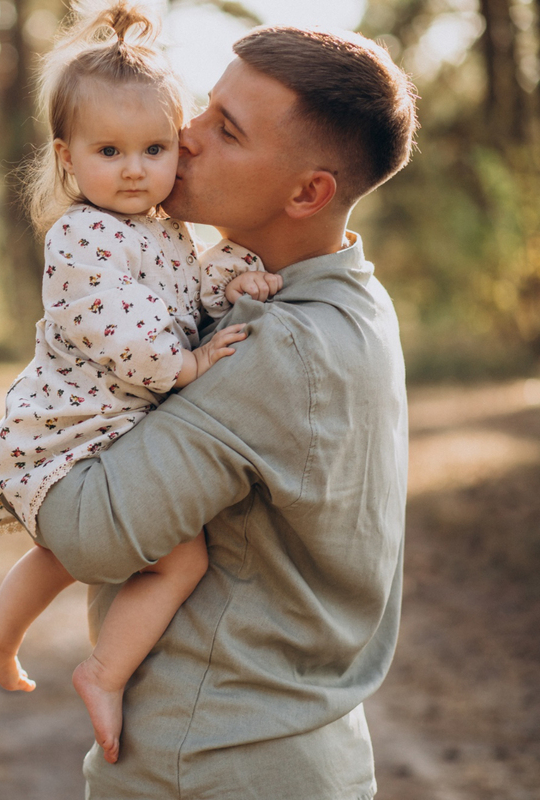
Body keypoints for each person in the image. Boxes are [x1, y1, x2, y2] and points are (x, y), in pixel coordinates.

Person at [32, 21, 419, 800]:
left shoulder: (273, 345)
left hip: (209, 759)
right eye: (205, 110)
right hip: (300, 754)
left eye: (226, 130)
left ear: (308, 191)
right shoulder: (354, 301)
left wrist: (49, 408)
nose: (186, 135)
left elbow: (88, 534)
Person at [0, 0, 280, 765]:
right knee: (181, 558)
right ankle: (102, 672)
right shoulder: (79, 234)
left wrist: (237, 273)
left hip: (102, 439)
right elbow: (121, 332)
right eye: (110, 151)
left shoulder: (161, 230)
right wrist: (189, 366)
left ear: (178, 149)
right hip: (72, 438)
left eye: (154, 148)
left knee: (71, 554)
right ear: (67, 157)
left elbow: (184, 296)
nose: (135, 169)